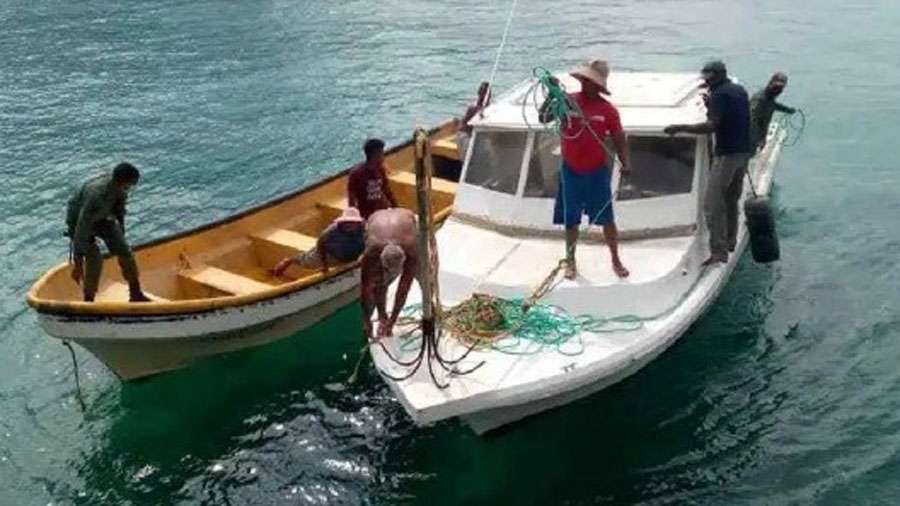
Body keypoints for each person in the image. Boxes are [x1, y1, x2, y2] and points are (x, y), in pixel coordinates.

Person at [538, 59, 632, 280]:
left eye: (590, 81)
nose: (584, 84)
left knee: (607, 219)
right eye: (584, 80)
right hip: (571, 171)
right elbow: (543, 118)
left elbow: (619, 139)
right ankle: (570, 261)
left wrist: (626, 163)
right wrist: (552, 96)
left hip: (597, 172)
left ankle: (615, 259)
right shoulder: (568, 101)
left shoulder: (608, 111)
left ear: (598, 85)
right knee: (571, 220)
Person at [664, 60, 752, 265]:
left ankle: (718, 252)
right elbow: (733, 116)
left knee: (712, 205)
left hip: (727, 155)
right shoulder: (739, 90)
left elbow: (712, 125)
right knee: (731, 198)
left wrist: (680, 127)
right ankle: (731, 239)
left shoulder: (719, 95)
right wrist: (710, 104)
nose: (706, 82)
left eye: (708, 78)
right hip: (743, 153)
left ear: (716, 76)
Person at [66, 162, 149, 302]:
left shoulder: (120, 189)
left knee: (125, 251)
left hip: (102, 217)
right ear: (121, 181)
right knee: (95, 259)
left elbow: (119, 211)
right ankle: (88, 299)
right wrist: (78, 262)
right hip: (80, 221)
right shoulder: (96, 194)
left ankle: (136, 293)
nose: (130, 189)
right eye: (129, 185)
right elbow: (82, 228)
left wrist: (120, 234)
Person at [359, 208, 424, 339]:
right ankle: (382, 316)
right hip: (376, 220)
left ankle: (430, 308)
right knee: (379, 283)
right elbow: (365, 289)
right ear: (380, 258)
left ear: (405, 257)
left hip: (408, 219)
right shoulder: (372, 249)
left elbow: (404, 288)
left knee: (425, 275)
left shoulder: (411, 248)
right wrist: (366, 321)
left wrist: (392, 322)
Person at [272, 207, 366, 276]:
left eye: (352, 222)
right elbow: (320, 243)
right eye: (347, 222)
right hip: (332, 254)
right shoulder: (330, 232)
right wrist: (325, 265)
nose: (349, 225)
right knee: (307, 262)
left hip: (353, 253)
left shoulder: (366, 229)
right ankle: (289, 261)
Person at [347, 138, 398, 220]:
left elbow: (387, 189)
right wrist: (354, 217)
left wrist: (396, 207)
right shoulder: (356, 174)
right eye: (382, 153)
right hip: (367, 215)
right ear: (375, 154)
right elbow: (352, 198)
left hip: (382, 211)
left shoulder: (380, 169)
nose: (383, 156)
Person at [750, 72, 796, 151]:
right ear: (770, 84)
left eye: (781, 88)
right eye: (777, 87)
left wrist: (788, 110)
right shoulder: (759, 100)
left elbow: (773, 105)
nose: (779, 91)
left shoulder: (769, 98)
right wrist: (760, 139)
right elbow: (752, 120)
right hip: (749, 139)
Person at [456, 81, 492, 160]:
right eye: (483, 93)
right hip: (465, 136)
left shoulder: (485, 108)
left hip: (473, 135)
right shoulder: (474, 108)